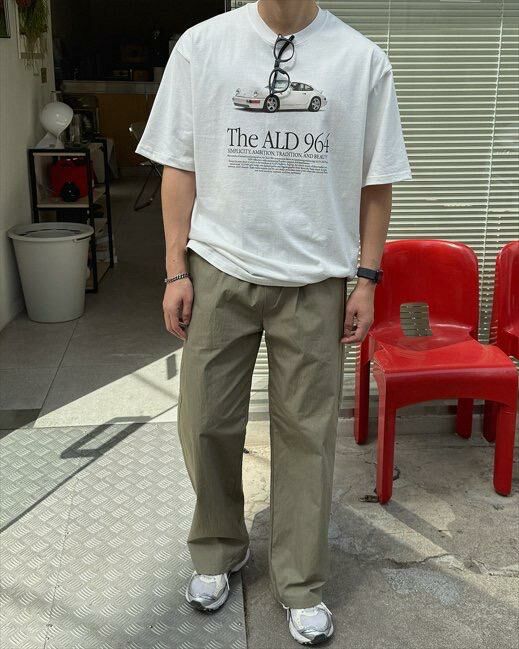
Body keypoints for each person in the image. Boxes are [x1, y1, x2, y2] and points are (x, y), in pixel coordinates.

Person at [136, 0, 412, 644]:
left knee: (307, 437)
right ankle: (218, 548)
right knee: (206, 421)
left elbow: (377, 181)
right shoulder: (201, 46)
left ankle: (300, 581)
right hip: (219, 270)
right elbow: (180, 165)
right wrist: (176, 271)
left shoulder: (362, 60)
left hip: (315, 280)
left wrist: (366, 280)